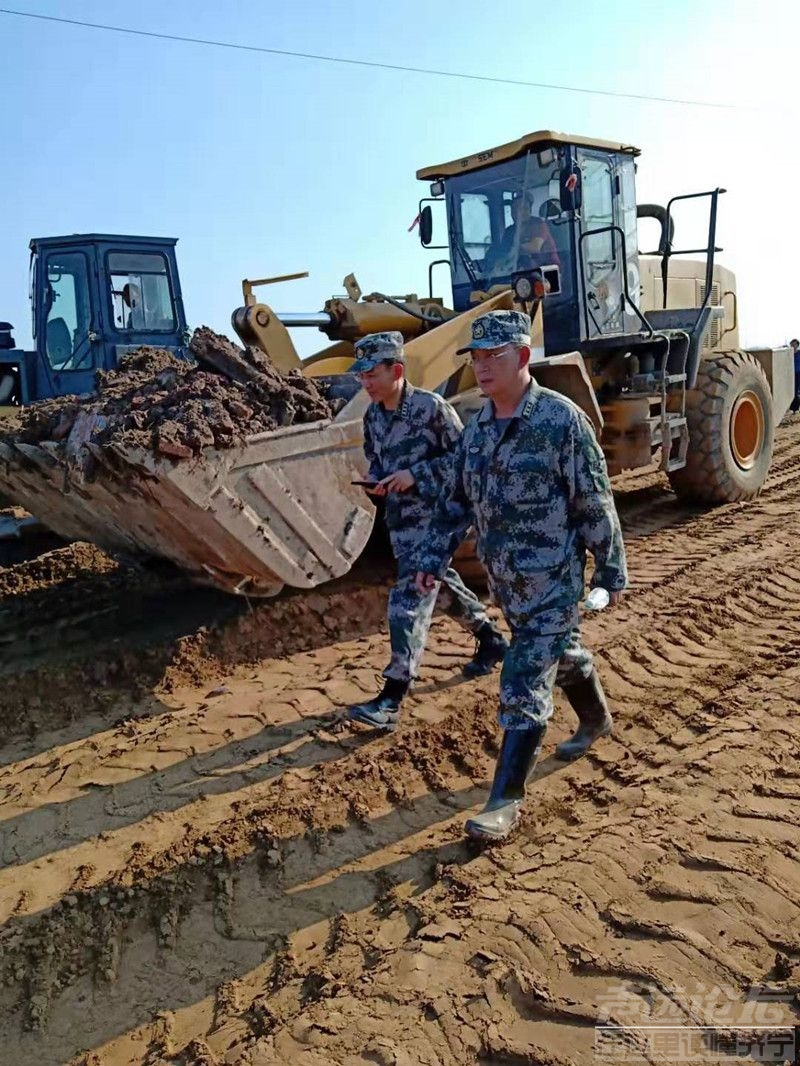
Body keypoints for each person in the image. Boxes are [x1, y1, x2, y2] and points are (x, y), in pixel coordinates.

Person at [416, 310, 627, 842]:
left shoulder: (561, 422)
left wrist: (609, 570)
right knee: (565, 652)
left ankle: (504, 800)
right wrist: (429, 558)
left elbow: (594, 502)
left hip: (554, 579)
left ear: (523, 357)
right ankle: (597, 719)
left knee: (524, 674)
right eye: (477, 358)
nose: (483, 368)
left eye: (495, 356)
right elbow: (454, 505)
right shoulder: (478, 431)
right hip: (506, 583)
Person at [345, 331, 508, 731]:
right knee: (442, 586)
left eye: (371, 374)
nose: (365, 383)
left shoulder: (431, 409)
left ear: (396, 370)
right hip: (402, 523)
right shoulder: (373, 416)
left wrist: (414, 475)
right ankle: (490, 638)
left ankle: (392, 696)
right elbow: (377, 459)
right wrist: (379, 480)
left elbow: (463, 462)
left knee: (408, 602)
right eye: (360, 376)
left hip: (437, 522)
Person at [484, 191, 560, 276]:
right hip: (522, 273)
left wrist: (514, 248)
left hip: (547, 272)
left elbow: (535, 247)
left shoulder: (538, 224)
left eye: (522, 208)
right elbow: (504, 251)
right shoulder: (510, 231)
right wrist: (497, 261)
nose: (517, 212)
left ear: (529, 210)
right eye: (514, 208)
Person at [789, 339, 800, 414]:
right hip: (792, 375)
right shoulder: (789, 354)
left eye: (794, 344)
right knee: (794, 392)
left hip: (799, 373)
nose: (792, 346)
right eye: (791, 345)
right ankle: (794, 409)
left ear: (797, 345)